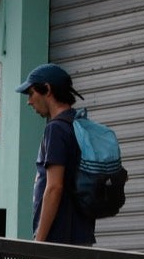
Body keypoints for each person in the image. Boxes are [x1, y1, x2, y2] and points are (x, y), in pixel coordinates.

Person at [17, 62, 95, 246]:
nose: (29, 101)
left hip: (58, 243)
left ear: (47, 89)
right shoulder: (78, 125)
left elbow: (54, 187)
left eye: (31, 93)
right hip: (80, 238)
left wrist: (39, 243)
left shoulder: (56, 129)